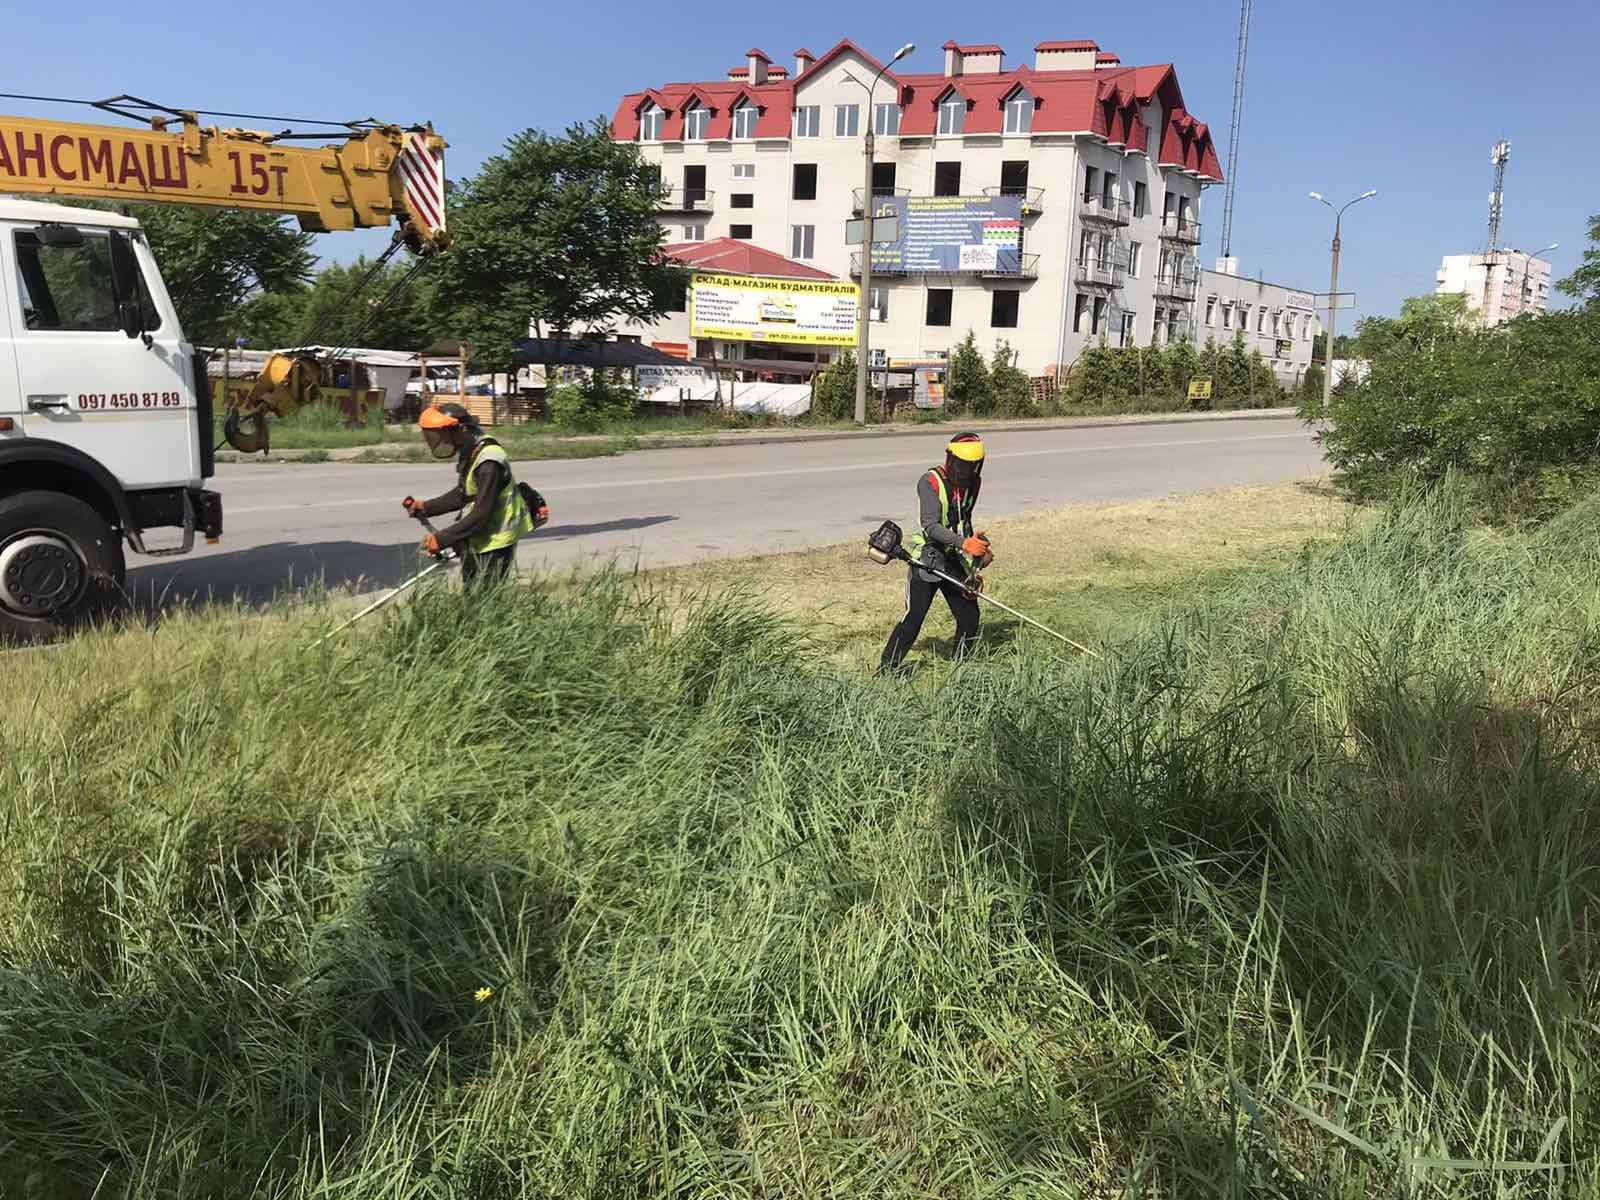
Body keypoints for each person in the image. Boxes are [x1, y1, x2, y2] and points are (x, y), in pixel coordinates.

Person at [880, 432, 994, 671]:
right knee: (915, 617)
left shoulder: (973, 483)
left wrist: (977, 552)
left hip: (952, 556)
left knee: (969, 616)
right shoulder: (929, 482)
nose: (966, 472)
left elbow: (964, 519)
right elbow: (931, 527)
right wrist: (964, 543)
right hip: (927, 559)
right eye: (963, 466)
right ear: (951, 460)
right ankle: (887, 669)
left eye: (973, 467)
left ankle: (960, 668)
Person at [401, 402, 536, 585]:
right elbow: (465, 493)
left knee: (485, 600)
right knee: (472, 596)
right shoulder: (473, 449)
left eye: (443, 434)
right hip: (480, 537)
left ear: (462, 429)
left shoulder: (489, 463)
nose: (442, 440)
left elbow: (481, 515)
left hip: (496, 541)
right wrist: (426, 507)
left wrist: (441, 539)